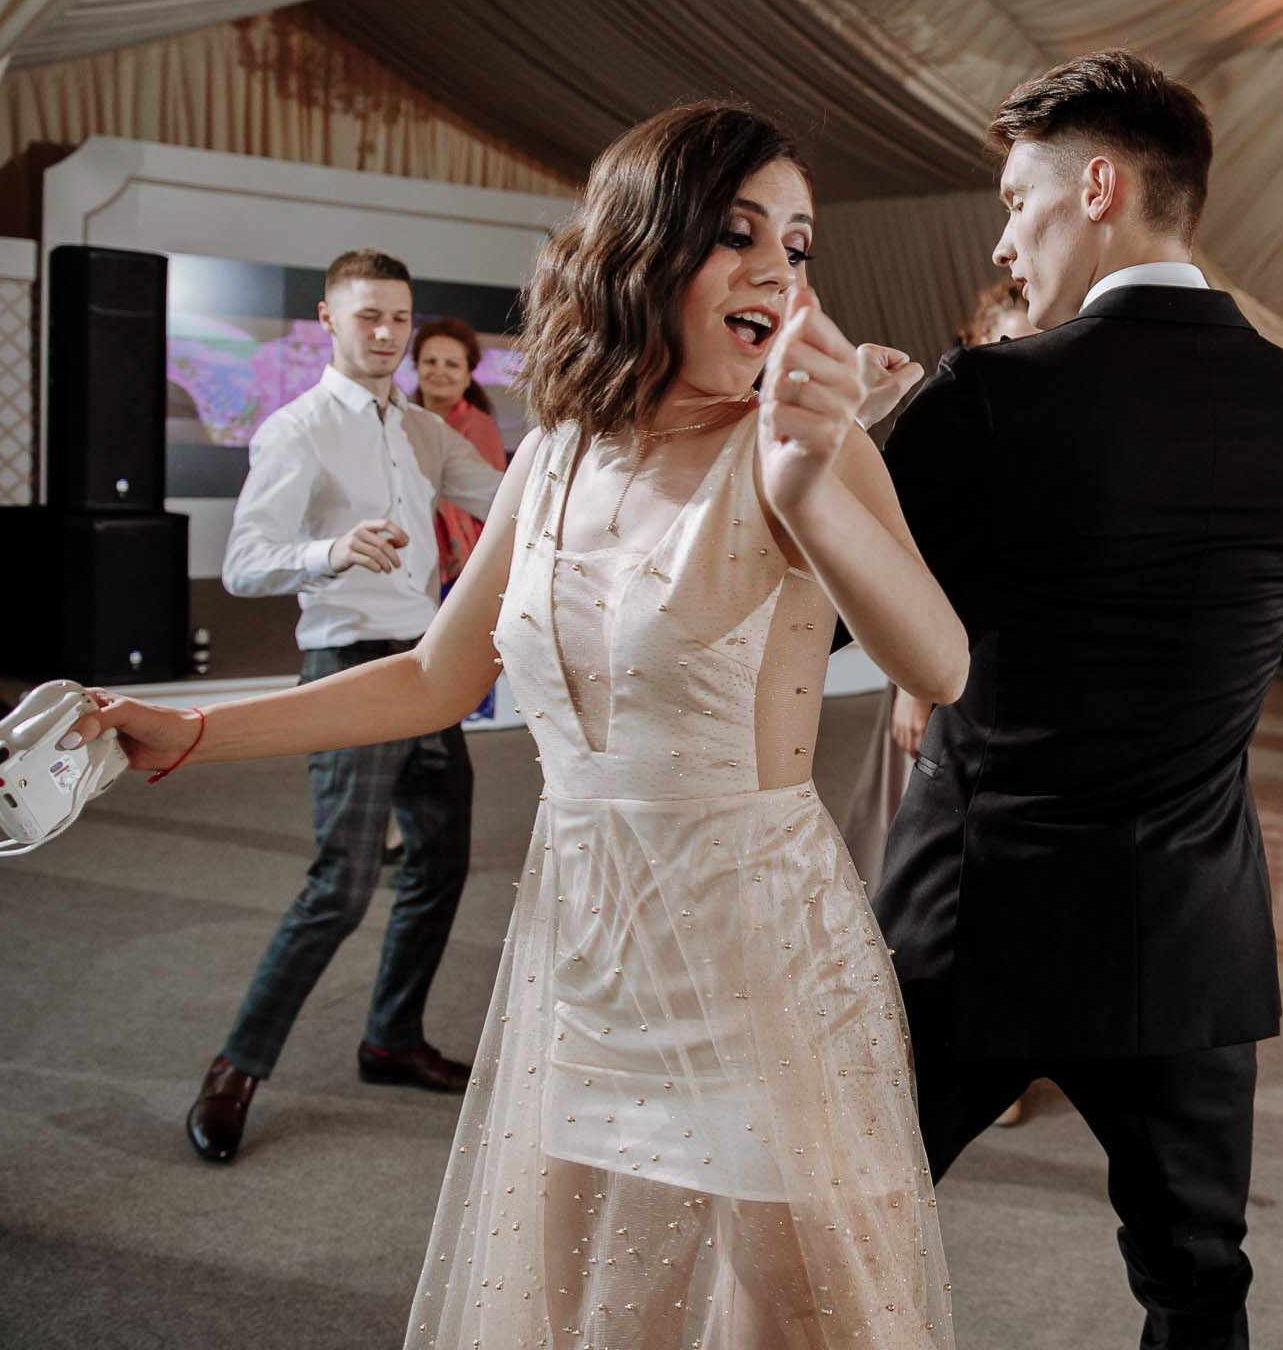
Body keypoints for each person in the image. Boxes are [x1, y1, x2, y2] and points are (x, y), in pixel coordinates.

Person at [74, 103, 967, 1348]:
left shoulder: (799, 452)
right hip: (586, 959)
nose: (777, 269)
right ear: (639, 252)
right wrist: (199, 731)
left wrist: (815, 474)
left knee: (794, 1325)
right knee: (596, 1321)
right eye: (736, 231)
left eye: (799, 245)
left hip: (762, 965)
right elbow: (435, 677)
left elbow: (940, 657)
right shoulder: (553, 456)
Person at [871, 50, 1283, 1346]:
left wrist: (867, 444)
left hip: (975, 917)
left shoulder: (988, 396)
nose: (1006, 237)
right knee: (1198, 1284)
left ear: (1099, 187)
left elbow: (857, 611)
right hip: (1185, 930)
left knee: (837, 1228)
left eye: (1018, 200)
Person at [184, 250, 508, 1163]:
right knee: (343, 882)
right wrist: (329, 552)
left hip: (429, 666)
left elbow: (512, 499)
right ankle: (236, 1069)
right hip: (347, 663)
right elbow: (246, 562)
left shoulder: (422, 429)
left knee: (441, 867)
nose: (387, 334)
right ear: (328, 319)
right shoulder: (296, 430)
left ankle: (390, 1041)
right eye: (368, 316)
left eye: (399, 318)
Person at [836, 280, 1038, 886]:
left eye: (1030, 347)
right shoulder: (955, 425)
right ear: (977, 342)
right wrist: (909, 688)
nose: (1014, 360)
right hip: (929, 666)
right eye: (1003, 344)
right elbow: (912, 558)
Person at [409, 316, 508, 597]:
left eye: (451, 364)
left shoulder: (479, 426)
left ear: (467, 375)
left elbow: (493, 503)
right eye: (430, 361)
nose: (439, 371)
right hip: (412, 552)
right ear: (416, 367)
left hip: (462, 563)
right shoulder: (401, 422)